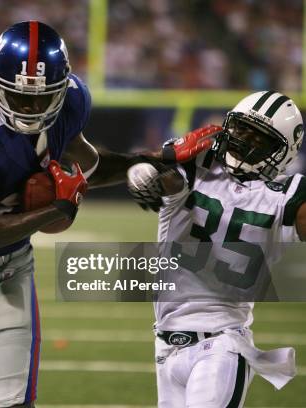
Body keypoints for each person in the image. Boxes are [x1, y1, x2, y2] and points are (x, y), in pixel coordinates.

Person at [0, 20, 199, 407]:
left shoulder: (70, 105)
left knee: (16, 403)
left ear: (62, 89)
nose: (31, 107)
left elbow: (89, 166)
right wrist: (56, 209)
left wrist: (142, 164)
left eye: (43, 97)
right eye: (20, 96)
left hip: (9, 270)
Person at [127, 90, 304, 407]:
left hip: (222, 345)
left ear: (283, 151)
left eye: (259, 137)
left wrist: (151, 165)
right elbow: (160, 177)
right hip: (167, 344)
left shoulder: (289, 195)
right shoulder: (198, 165)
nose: (243, 141)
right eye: (242, 129)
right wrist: (149, 166)